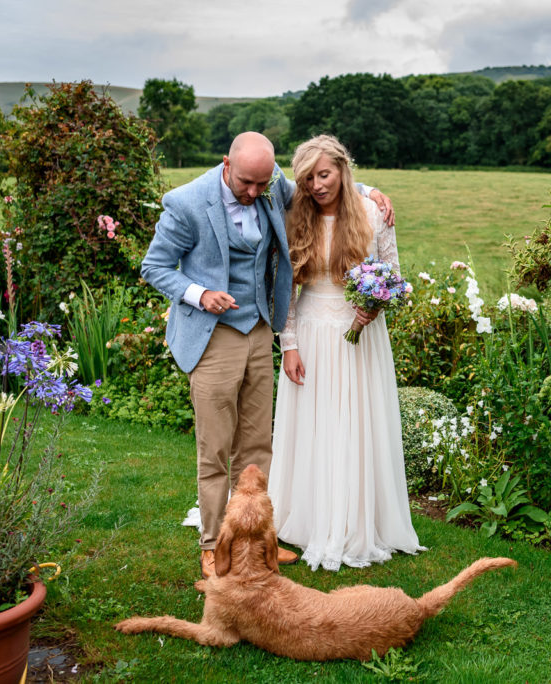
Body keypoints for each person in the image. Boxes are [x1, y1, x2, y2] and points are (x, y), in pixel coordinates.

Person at [141, 132, 393, 579]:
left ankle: (258, 542)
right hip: (212, 333)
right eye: (246, 185)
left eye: (262, 185)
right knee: (216, 447)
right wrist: (199, 294)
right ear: (226, 164)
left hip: (258, 329)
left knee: (258, 446)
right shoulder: (185, 203)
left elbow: (320, 183)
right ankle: (213, 543)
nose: (256, 193)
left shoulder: (268, 182)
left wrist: (365, 190)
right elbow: (154, 266)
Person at [270, 135, 424, 572]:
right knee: (315, 424)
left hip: (361, 336)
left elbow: (394, 275)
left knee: (356, 422)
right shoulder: (294, 217)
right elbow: (286, 289)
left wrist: (372, 308)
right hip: (312, 333)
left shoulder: (375, 213)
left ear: (342, 169)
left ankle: (358, 519)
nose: (318, 185)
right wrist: (290, 346)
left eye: (325, 174)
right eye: (309, 178)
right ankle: (310, 516)